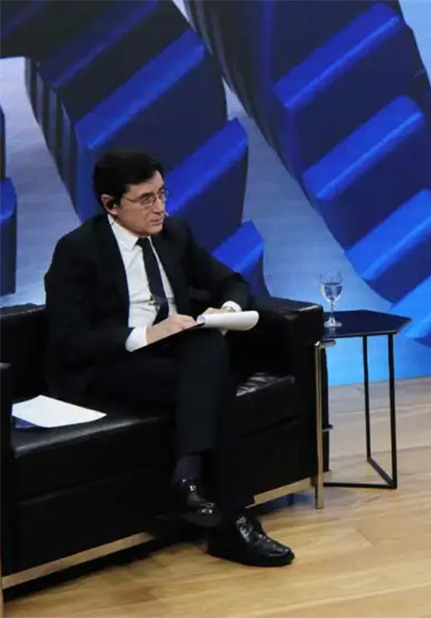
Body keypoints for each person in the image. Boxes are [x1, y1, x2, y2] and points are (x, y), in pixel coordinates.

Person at [43, 151, 294, 567]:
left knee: (208, 346)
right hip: (110, 365)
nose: (159, 207)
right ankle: (234, 523)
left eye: (162, 194)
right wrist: (146, 334)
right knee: (213, 383)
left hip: (176, 356)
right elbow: (69, 341)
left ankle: (187, 478)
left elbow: (231, 281)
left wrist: (227, 311)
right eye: (145, 199)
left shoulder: (174, 233)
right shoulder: (78, 250)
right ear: (111, 204)